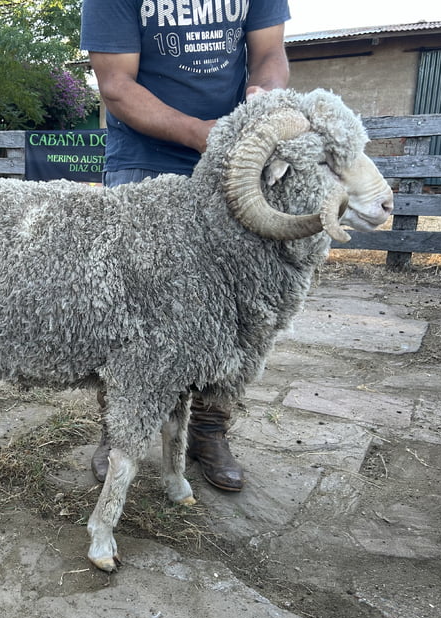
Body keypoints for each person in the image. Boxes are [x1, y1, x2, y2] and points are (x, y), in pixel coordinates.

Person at [81, 0, 292, 491]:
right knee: (126, 306)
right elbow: (115, 84)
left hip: (239, 154)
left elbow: (270, 51)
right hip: (144, 154)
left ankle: (209, 429)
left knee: (237, 303)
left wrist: (266, 98)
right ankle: (119, 432)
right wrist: (202, 134)